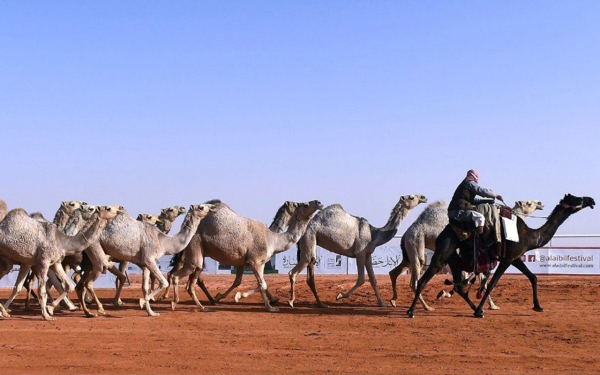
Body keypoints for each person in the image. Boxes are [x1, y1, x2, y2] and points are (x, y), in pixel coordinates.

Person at [448, 169, 504, 235]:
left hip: (456, 210)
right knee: (480, 218)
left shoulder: (465, 184)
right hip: (458, 212)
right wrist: (496, 195)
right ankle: (478, 238)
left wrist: (486, 201)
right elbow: (481, 191)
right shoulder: (469, 183)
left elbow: (472, 201)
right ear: (473, 176)